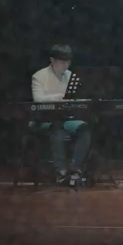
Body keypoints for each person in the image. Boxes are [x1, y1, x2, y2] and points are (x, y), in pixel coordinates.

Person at [30, 43, 91, 188]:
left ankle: (75, 169)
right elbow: (38, 99)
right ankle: (61, 173)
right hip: (45, 119)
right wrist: (59, 97)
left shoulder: (70, 76)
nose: (65, 66)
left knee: (84, 128)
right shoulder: (39, 76)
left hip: (65, 118)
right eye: (62, 62)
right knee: (57, 130)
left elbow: (74, 98)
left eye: (68, 62)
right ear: (52, 60)